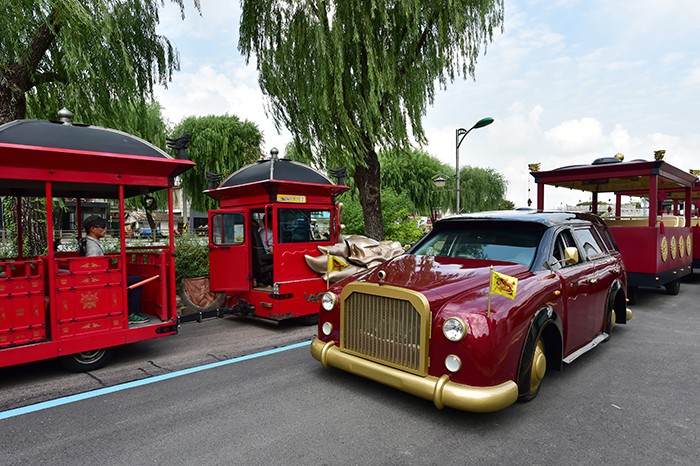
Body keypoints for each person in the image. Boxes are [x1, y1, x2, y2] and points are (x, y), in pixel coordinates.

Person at [82, 215, 149, 324]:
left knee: (131, 280)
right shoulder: (93, 248)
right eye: (102, 226)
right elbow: (92, 267)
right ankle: (131, 314)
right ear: (92, 229)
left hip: (101, 278)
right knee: (137, 280)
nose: (105, 229)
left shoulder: (89, 242)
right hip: (100, 280)